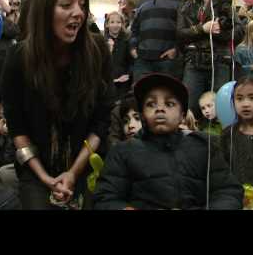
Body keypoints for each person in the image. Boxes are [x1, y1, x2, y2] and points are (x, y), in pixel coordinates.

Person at [0, 0, 115, 210]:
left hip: (85, 165)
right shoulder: (19, 57)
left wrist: (73, 173)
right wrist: (43, 178)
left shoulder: (98, 51)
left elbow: (101, 122)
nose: (78, 13)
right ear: (44, 11)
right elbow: (17, 127)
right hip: (35, 168)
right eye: (66, 4)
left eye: (82, 5)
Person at [93, 73, 244, 210]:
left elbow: (228, 192)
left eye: (169, 104)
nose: (160, 109)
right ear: (143, 115)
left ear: (182, 115)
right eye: (151, 104)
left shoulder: (204, 146)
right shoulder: (123, 152)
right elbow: (105, 198)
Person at [177, 0, 244, 117]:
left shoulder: (225, 2)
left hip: (221, 61)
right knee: (190, 108)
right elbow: (180, 35)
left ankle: (220, 141)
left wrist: (218, 31)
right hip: (193, 61)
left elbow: (240, 32)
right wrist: (203, 29)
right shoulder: (185, 4)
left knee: (222, 108)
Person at [130, 0, 185, 82]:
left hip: (168, 61)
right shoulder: (141, 2)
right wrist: (133, 49)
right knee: (141, 97)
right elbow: (135, 29)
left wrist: (176, 49)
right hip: (142, 62)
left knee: (168, 97)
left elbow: (185, 28)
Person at [104, 11, 132, 100]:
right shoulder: (102, 41)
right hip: (107, 82)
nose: (115, 25)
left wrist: (128, 74)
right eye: (112, 22)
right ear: (107, 24)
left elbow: (131, 62)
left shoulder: (127, 41)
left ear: (122, 24)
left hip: (123, 82)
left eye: (118, 22)